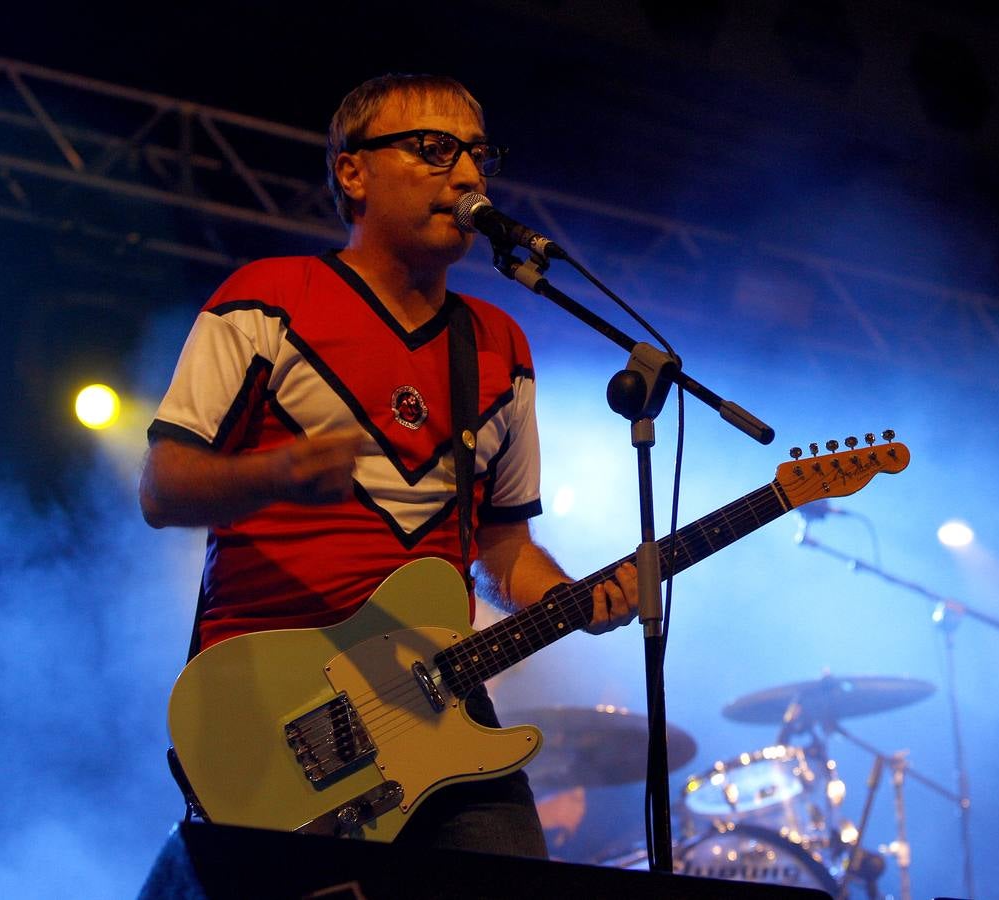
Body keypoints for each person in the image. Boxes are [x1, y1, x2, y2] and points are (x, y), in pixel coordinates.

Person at [140, 73, 639, 858]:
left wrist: (577, 599)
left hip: (442, 706)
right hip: (276, 711)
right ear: (352, 170)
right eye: (434, 150)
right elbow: (163, 488)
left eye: (478, 155)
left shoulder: (499, 347)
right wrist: (275, 475)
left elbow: (500, 549)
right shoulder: (266, 300)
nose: (468, 175)